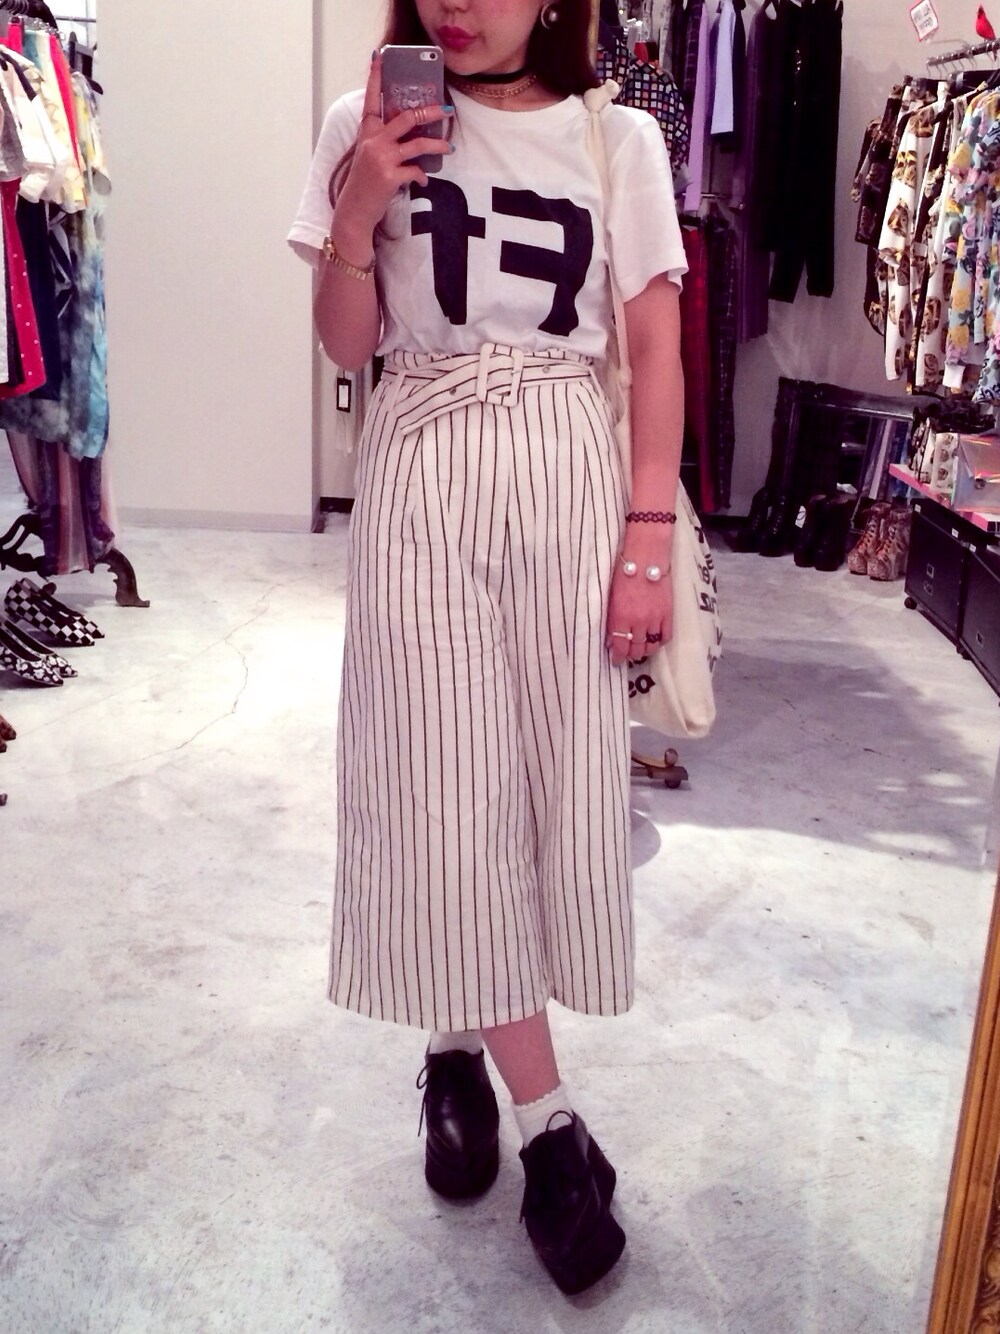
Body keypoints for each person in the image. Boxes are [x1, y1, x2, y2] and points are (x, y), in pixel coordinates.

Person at [288, 0, 686, 1296]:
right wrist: (360, 205)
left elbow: (655, 352)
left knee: (546, 789)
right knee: (445, 788)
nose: (455, 2)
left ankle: (453, 1048)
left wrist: (646, 539)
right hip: (421, 467)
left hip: (567, 480)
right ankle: (552, 1125)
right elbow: (346, 342)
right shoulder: (363, 122)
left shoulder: (617, 140)